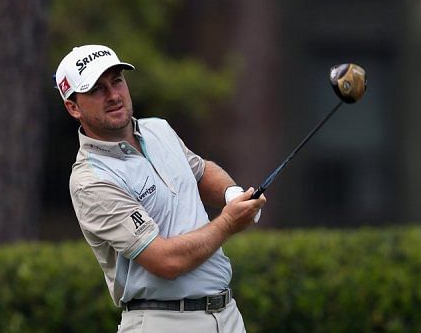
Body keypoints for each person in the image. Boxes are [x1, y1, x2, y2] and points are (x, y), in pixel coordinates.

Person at [54, 44, 266, 333]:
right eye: (96, 89)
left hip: (227, 316)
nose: (114, 95)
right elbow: (166, 260)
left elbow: (200, 172)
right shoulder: (91, 180)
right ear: (73, 107)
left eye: (117, 81)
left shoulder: (158, 129)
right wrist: (229, 222)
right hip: (162, 322)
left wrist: (232, 194)